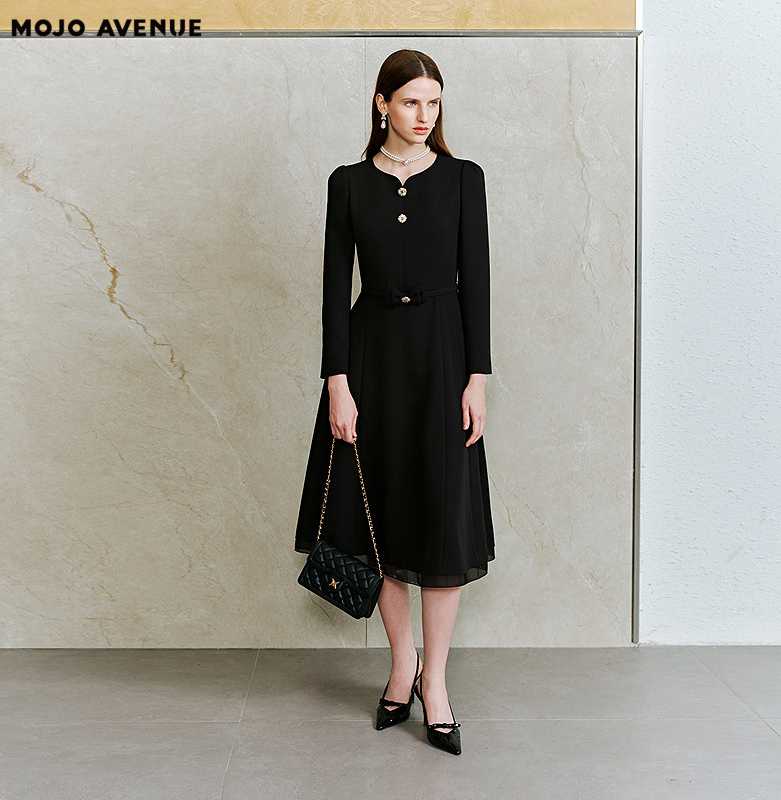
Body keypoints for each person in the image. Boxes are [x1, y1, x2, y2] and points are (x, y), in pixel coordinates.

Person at [294, 49, 494, 756]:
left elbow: (478, 282)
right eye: (411, 101)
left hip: (442, 362)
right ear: (382, 104)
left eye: (433, 102)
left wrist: (477, 378)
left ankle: (435, 682)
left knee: (440, 520)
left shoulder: (464, 180)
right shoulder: (348, 183)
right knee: (376, 515)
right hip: (371, 360)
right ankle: (401, 664)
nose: (424, 115)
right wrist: (337, 381)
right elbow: (333, 290)